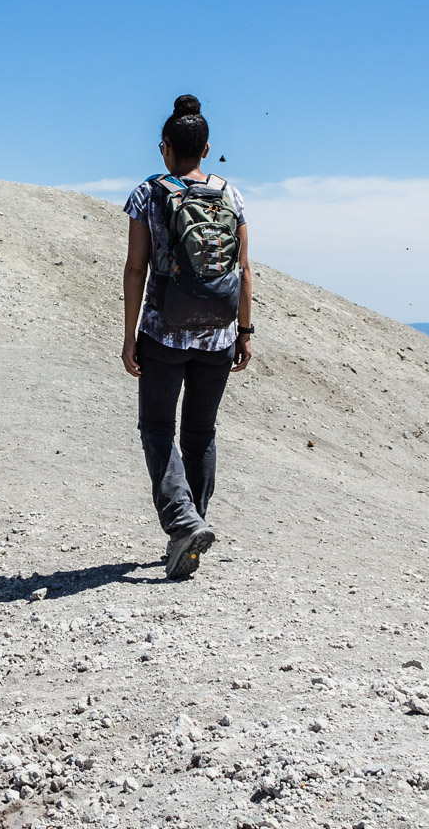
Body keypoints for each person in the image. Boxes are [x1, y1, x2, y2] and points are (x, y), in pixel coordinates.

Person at [119, 95, 253, 580]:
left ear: (166, 148)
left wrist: (130, 333)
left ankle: (183, 525)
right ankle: (193, 527)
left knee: (157, 428)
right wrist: (244, 329)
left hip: (164, 331)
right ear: (208, 148)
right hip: (218, 335)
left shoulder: (147, 194)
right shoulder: (230, 194)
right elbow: (242, 267)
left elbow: (137, 268)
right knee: (200, 433)